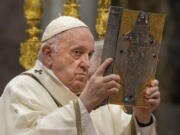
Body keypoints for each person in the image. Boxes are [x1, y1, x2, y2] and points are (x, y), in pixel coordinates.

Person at [0, 16, 160, 135]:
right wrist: (85, 104)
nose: (86, 63)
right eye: (77, 52)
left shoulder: (102, 101)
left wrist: (142, 117)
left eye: (90, 55)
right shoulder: (22, 90)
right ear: (48, 54)